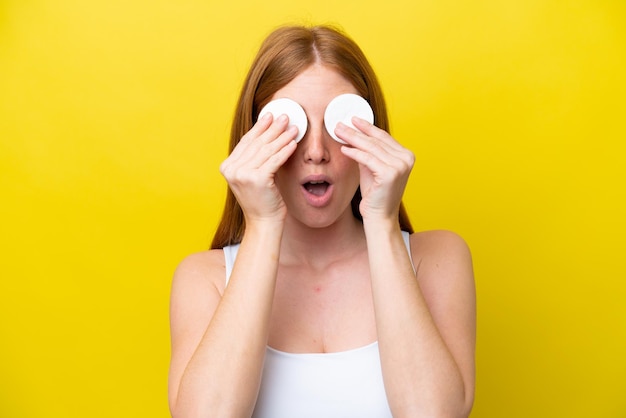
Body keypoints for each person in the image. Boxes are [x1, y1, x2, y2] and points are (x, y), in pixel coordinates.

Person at [168, 24, 476, 418]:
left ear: (373, 133)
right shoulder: (205, 278)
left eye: (339, 123)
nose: (316, 151)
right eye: (290, 128)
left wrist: (381, 220)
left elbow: (432, 414)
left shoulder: (438, 260)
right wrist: (262, 225)